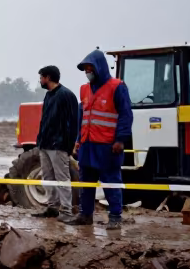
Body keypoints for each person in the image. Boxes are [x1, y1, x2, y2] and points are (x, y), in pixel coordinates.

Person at [65, 50, 134, 229]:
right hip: (87, 145)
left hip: (108, 146)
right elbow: (83, 116)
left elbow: (126, 115)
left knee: (111, 181)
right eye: (86, 69)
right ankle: (85, 214)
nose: (88, 72)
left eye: (90, 68)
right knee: (86, 183)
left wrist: (120, 140)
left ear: (99, 68)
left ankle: (115, 216)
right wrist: (78, 140)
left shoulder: (117, 87)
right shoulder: (84, 89)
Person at [34, 65, 80, 219]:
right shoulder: (49, 95)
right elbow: (45, 120)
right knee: (47, 177)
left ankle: (66, 210)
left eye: (41, 77)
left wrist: (69, 145)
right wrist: (40, 140)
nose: (40, 80)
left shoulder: (66, 95)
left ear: (48, 78)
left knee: (62, 178)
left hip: (59, 145)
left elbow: (73, 123)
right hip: (45, 144)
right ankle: (52, 207)